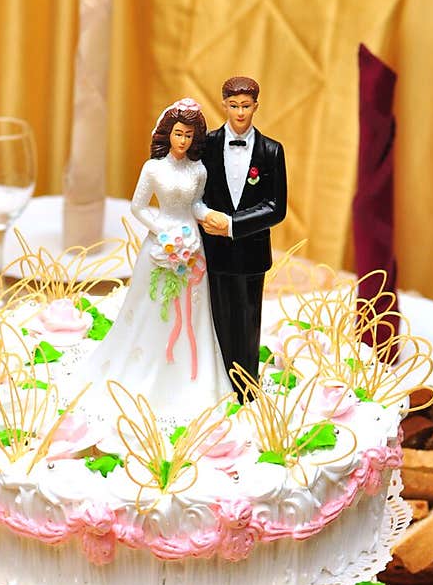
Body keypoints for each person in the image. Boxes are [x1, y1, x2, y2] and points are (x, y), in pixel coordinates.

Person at [83, 99, 233, 423]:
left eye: (189, 136)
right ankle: (145, 367)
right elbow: (138, 207)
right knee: (151, 307)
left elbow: (195, 205)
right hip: (160, 246)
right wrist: (163, 231)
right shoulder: (153, 168)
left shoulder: (199, 170)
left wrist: (210, 217)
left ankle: (188, 376)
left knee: (191, 311)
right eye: (178, 134)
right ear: (168, 134)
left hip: (192, 245)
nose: (183, 141)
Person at [199, 76, 287, 393]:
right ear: (224, 105)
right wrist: (206, 217)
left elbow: (276, 208)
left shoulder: (271, 151)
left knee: (249, 323)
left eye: (246, 106)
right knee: (219, 319)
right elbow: (196, 191)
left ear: (256, 107)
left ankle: (248, 389)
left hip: (251, 254)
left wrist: (233, 224)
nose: (239, 113)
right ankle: (219, 387)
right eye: (234, 106)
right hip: (215, 251)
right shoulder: (206, 146)